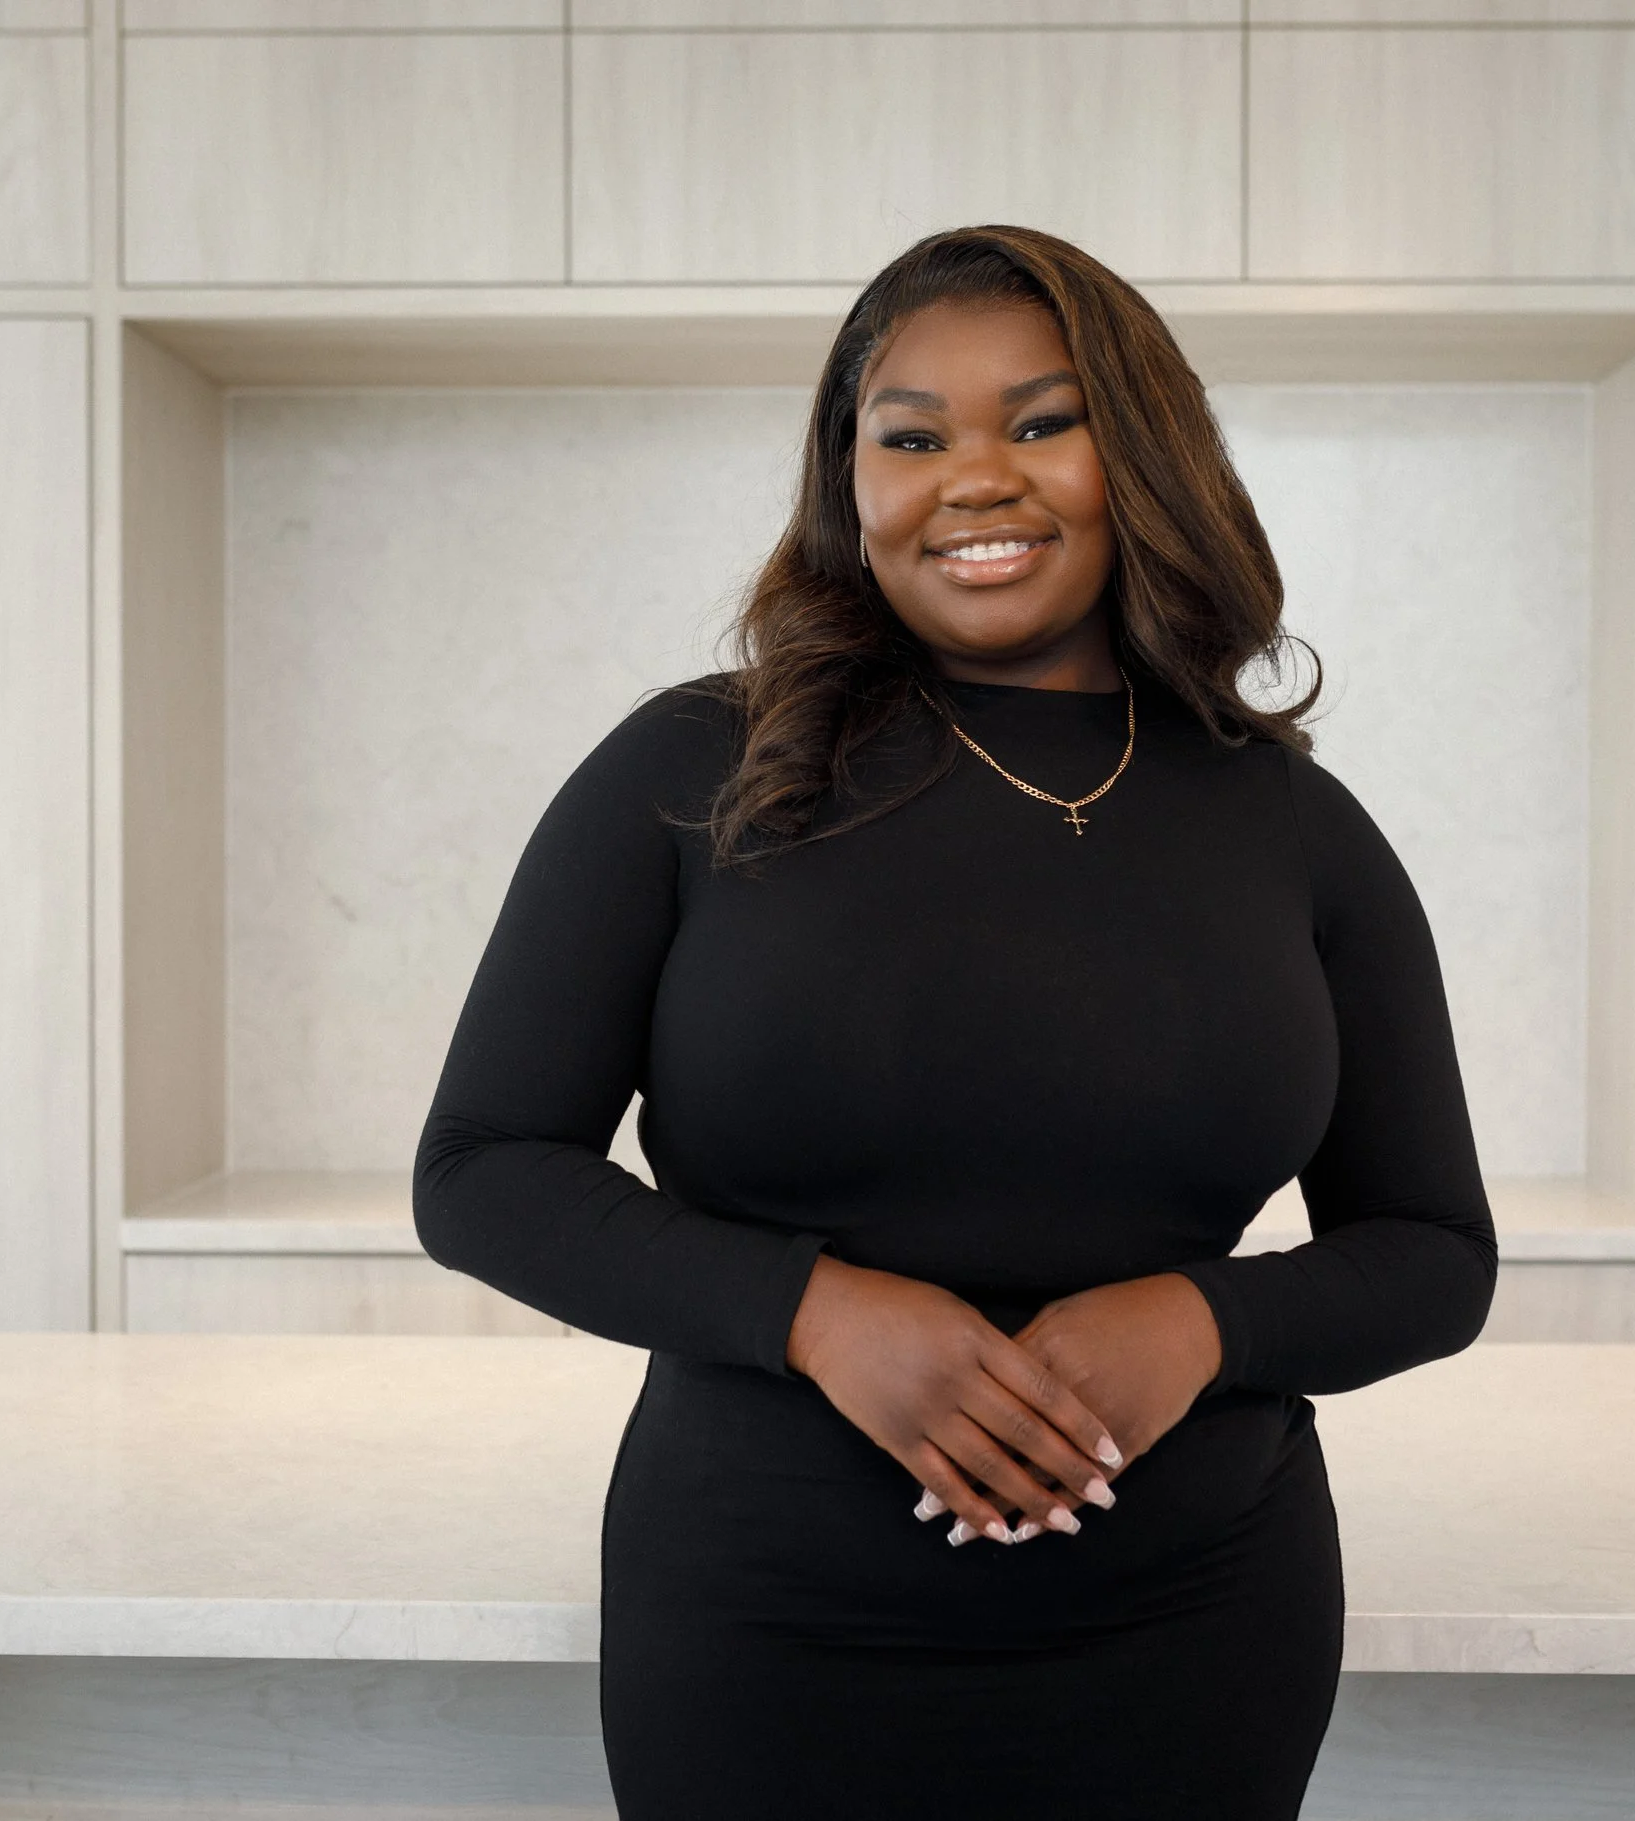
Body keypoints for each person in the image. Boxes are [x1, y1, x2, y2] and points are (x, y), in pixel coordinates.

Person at [413, 224, 1497, 1821]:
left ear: (1142, 455)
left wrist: (1204, 1324)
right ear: (849, 484)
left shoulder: (1286, 820)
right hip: (766, 1626)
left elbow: (1431, 1248)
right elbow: (484, 1168)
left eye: (1042, 422)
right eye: (910, 436)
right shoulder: (694, 771)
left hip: (1196, 1632)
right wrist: (816, 1313)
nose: (971, 477)